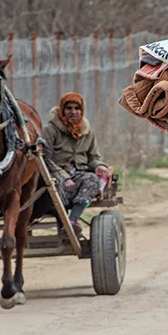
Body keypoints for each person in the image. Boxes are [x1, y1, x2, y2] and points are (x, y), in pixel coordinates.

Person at [43, 92, 109, 234]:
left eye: (77, 108)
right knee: (53, 187)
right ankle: (64, 224)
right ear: (62, 110)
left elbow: (93, 157)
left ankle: (72, 221)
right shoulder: (51, 129)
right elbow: (45, 158)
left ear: (82, 111)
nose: (73, 112)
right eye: (69, 108)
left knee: (92, 180)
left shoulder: (87, 132)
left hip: (80, 172)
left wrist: (99, 166)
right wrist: (65, 177)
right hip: (56, 172)